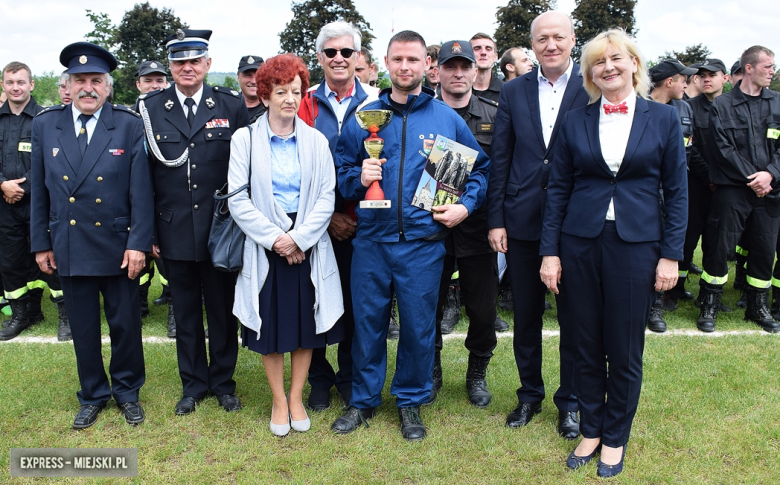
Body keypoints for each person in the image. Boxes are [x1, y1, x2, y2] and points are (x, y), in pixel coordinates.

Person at [540, 29, 687, 478]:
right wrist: (550, 253)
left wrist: (671, 255)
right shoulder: (575, 120)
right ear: (589, 73)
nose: (608, 68)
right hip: (579, 242)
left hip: (636, 245)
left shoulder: (662, 119)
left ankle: (615, 438)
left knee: (623, 347)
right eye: (598, 63)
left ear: (634, 64)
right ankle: (591, 428)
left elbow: (678, 192)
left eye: (616, 59)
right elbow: (558, 190)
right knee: (583, 343)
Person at [332, 30, 489, 441]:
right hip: (371, 242)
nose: (406, 67)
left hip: (423, 244)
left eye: (414, 60)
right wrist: (356, 177)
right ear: (386, 63)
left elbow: (480, 170)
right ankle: (363, 401)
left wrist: (463, 206)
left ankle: (410, 401)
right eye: (398, 59)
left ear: (427, 67)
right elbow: (340, 171)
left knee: (419, 328)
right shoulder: (365, 115)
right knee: (367, 325)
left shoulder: (446, 119)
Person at [30, 42, 154, 428]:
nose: (88, 88)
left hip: (117, 245)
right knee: (83, 327)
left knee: (125, 324)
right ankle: (93, 393)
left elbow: (141, 191)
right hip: (69, 243)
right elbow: (39, 190)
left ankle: (127, 391)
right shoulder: (46, 124)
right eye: (80, 80)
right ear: (67, 84)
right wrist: (41, 243)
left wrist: (137, 244)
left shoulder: (129, 125)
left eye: (96, 81)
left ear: (108, 86)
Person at [228, 53, 344, 437]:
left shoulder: (316, 140)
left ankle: (297, 397)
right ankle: (278, 400)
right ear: (265, 95)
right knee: (272, 329)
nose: (290, 99)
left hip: (307, 246)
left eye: (296, 91)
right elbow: (237, 198)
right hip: (266, 247)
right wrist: (278, 239)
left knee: (305, 326)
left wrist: (298, 238)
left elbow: (326, 196)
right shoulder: (244, 139)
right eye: (281, 91)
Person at [487, 10, 588, 440]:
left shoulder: (592, 86)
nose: (550, 44)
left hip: (575, 221)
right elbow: (501, 158)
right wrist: (496, 218)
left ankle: (571, 402)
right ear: (533, 44)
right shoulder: (513, 91)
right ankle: (529, 395)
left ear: (572, 40)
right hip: (523, 220)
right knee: (526, 317)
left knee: (575, 319)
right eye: (542, 38)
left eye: (558, 37)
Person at [138, 29, 249, 416]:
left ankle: (223, 383)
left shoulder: (231, 107)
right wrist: (148, 231)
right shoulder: (150, 109)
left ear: (207, 64)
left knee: (222, 310)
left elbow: (243, 172)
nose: (187, 68)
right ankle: (193, 385)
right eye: (179, 62)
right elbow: (143, 177)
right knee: (184, 313)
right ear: (170, 67)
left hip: (220, 232)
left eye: (194, 61)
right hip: (172, 230)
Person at [297, 20, 379, 413]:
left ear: (358, 56)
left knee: (354, 305)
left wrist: (354, 216)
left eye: (347, 51)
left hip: (363, 225)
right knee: (310, 302)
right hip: (315, 224)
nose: (339, 58)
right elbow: (291, 167)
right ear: (320, 58)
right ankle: (318, 377)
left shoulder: (379, 103)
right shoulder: (304, 102)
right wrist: (327, 216)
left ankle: (349, 377)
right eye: (331, 52)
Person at [432, 40, 503, 407]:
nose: (458, 73)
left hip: (478, 228)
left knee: (482, 309)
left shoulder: (495, 113)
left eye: (465, 67)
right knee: (429, 305)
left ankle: (477, 373)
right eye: (450, 66)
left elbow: (500, 172)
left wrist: (497, 221)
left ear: (476, 71)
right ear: (438, 71)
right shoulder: (425, 114)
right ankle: (433, 369)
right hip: (430, 229)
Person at [698, 45, 780, 333]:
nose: (772, 71)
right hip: (733, 190)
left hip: (770, 192)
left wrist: (770, 175)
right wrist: (753, 177)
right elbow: (722, 149)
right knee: (720, 247)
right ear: (749, 68)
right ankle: (709, 303)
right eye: (768, 66)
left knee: (763, 249)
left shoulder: (777, 103)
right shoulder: (722, 105)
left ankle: (758, 307)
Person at [0, 62, 69, 342]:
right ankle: (22, 315)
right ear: (3, 85)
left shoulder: (47, 118)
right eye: (10, 82)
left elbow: (53, 160)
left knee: (51, 260)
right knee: (11, 262)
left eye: (20, 82)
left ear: (32, 85)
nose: (15, 87)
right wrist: (2, 183)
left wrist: (22, 187)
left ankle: (66, 316)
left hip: (40, 204)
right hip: (4, 205)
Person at [673, 59, 731, 320]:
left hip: (725, 187)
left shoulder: (731, 108)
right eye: (702, 75)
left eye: (713, 75)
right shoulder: (688, 108)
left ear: (725, 78)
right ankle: (674, 289)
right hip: (695, 184)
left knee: (716, 241)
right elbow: (689, 148)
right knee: (686, 238)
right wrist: (708, 175)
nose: (707, 79)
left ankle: (709, 295)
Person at [645, 59, 698, 332]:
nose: (686, 84)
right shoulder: (640, 106)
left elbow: (691, 151)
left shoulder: (685, 108)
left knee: (668, 247)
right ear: (669, 82)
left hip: (675, 189)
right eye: (682, 79)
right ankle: (646, 303)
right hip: (647, 193)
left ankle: (656, 307)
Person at [133, 60, 172, 330]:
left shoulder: (170, 115)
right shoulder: (127, 118)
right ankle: (138, 304)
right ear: (138, 84)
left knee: (168, 260)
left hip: (165, 199)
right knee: (137, 258)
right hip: (135, 199)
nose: (155, 85)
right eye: (149, 80)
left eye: (159, 80)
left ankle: (174, 310)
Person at [470, 33, 502, 103]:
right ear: (468, 55)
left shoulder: (507, 91)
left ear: (495, 57)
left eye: (488, 49)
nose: (483, 53)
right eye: (477, 48)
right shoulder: (457, 89)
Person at [237, 55, 266, 123]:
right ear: (238, 78)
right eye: (248, 75)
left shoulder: (272, 109)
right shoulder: (228, 107)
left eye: (258, 76)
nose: (253, 81)